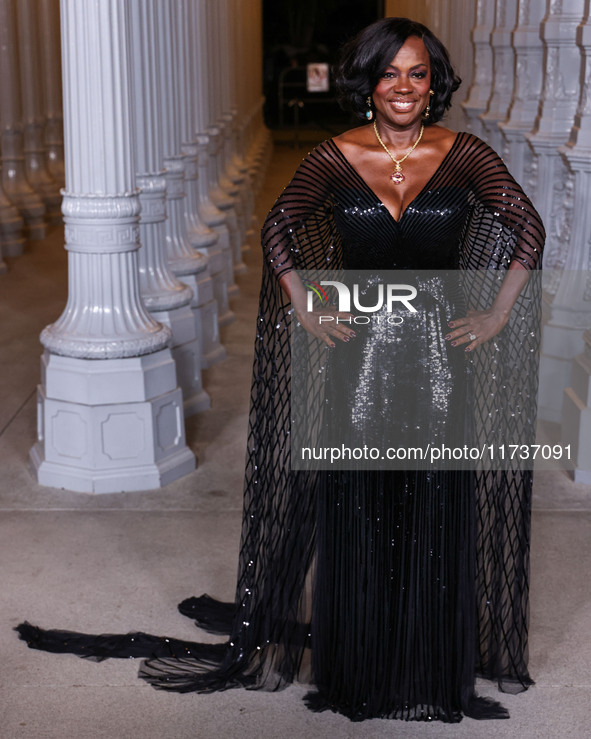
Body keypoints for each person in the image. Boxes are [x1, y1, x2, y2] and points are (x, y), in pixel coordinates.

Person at [17, 17, 544, 724]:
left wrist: (495, 315)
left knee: (429, 509)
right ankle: (359, 664)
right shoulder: (336, 155)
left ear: (434, 83)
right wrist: (306, 308)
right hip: (356, 362)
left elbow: (525, 227)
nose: (402, 87)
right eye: (389, 73)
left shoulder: (464, 154)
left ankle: (426, 661)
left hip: (437, 365)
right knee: (357, 509)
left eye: (416, 73)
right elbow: (279, 227)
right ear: (367, 82)